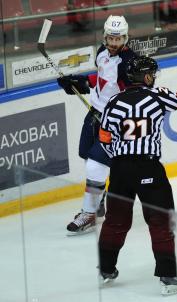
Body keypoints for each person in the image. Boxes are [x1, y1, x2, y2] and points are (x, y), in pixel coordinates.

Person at [97, 55, 177, 295]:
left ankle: (106, 269)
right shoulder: (156, 96)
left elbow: (104, 139)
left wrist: (119, 155)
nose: (153, 78)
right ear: (146, 77)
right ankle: (168, 276)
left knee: (116, 220)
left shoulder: (113, 102)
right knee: (160, 221)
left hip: (120, 171)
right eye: (152, 74)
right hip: (149, 169)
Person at [57, 15, 137, 235]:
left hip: (113, 121)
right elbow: (101, 80)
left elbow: (134, 95)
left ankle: (89, 213)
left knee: (95, 165)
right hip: (94, 114)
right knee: (86, 154)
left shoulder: (129, 63)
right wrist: (80, 82)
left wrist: (118, 119)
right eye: (110, 38)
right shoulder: (101, 53)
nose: (113, 43)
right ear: (105, 37)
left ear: (126, 37)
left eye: (118, 39)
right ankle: (98, 198)